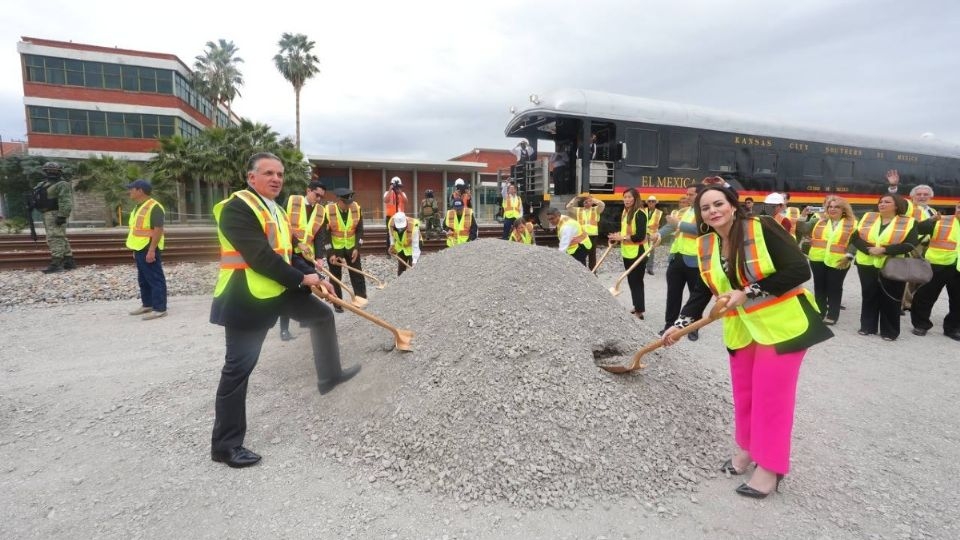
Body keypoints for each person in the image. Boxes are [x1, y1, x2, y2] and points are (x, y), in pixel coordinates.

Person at [662, 185, 832, 499]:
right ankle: (748, 450)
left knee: (772, 398)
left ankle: (770, 466)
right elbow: (703, 293)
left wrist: (750, 291)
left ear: (733, 205)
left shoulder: (762, 227)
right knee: (746, 394)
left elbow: (799, 270)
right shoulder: (706, 245)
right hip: (742, 330)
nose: (713, 211)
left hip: (782, 326)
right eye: (706, 207)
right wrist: (679, 325)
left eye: (719, 203)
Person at [209, 152, 360, 468]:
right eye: (268, 173)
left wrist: (316, 276)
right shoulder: (236, 208)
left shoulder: (274, 209)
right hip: (246, 298)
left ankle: (329, 377)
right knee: (238, 369)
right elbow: (261, 257)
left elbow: (287, 252)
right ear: (252, 178)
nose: (276, 178)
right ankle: (225, 445)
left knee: (321, 316)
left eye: (279, 173)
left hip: (277, 290)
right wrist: (303, 278)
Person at [850, 194, 919, 341]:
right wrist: (869, 249)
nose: (882, 204)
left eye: (887, 202)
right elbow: (854, 238)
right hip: (867, 263)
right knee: (869, 295)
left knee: (891, 298)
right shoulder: (868, 217)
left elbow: (910, 244)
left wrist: (884, 249)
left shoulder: (908, 222)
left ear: (897, 206)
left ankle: (890, 331)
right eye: (880, 202)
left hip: (892, 265)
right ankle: (867, 327)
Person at [659, 184, 712, 341]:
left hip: (695, 260)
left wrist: (679, 224)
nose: (687, 197)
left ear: (700, 195)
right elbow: (670, 226)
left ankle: (693, 327)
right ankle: (669, 325)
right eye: (687, 194)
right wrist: (658, 234)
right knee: (673, 294)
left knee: (695, 296)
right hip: (677, 257)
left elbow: (700, 229)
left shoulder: (705, 212)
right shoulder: (684, 211)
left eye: (691, 194)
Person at [279, 181, 328, 340]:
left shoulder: (321, 210)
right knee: (288, 289)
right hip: (289, 252)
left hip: (307, 255)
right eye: (316, 194)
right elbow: (281, 225)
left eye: (322, 196)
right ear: (308, 190)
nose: (319, 199)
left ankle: (305, 319)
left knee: (307, 287)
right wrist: (296, 242)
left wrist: (320, 257)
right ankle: (284, 330)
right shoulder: (292, 201)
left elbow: (320, 236)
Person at [802, 197, 857, 325]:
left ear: (844, 209)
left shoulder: (852, 223)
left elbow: (855, 240)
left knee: (834, 288)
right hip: (818, 258)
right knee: (819, 287)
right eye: (830, 207)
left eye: (836, 207)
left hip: (839, 260)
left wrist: (849, 256)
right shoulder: (818, 220)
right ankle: (820, 312)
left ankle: (832, 314)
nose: (832, 209)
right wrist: (803, 216)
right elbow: (802, 229)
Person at [909, 201, 960, 340]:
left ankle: (953, 328)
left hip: (958, 267)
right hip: (938, 264)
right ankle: (920, 324)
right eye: (959, 207)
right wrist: (930, 220)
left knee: (958, 300)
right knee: (925, 296)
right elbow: (919, 229)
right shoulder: (942, 220)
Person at [124, 179, 168, 320]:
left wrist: (152, 250)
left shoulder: (154, 207)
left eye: (131, 189)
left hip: (148, 247)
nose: (129, 191)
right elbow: (136, 230)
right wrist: (135, 248)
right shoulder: (138, 207)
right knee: (143, 279)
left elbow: (158, 230)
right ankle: (147, 304)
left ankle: (160, 308)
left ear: (140, 190)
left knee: (155, 278)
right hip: (139, 247)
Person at [608, 188, 649, 318]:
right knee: (632, 281)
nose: (626, 199)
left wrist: (622, 238)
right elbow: (627, 231)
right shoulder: (626, 212)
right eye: (625, 197)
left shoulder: (639, 213)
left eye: (629, 197)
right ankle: (637, 306)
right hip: (628, 252)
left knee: (636, 281)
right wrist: (618, 235)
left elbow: (640, 236)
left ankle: (639, 311)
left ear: (635, 198)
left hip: (638, 252)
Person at [325, 188, 367, 313]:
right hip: (335, 249)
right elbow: (325, 234)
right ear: (339, 200)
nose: (349, 206)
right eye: (346, 203)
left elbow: (360, 230)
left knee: (357, 274)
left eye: (350, 203)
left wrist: (357, 248)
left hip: (351, 248)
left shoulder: (356, 208)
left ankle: (361, 299)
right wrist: (330, 253)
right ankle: (338, 303)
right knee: (335, 277)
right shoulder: (329, 210)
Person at [32, 161, 75, 273]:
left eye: (54, 170)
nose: (51, 172)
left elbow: (65, 201)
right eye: (49, 170)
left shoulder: (62, 184)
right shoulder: (42, 184)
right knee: (60, 237)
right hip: (46, 213)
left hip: (55, 213)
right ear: (45, 171)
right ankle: (69, 261)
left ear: (59, 172)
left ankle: (56, 263)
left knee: (55, 238)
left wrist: (62, 215)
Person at [565, 195, 605, 269]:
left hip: (592, 235)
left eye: (589, 201)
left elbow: (602, 204)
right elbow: (568, 207)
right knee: (582, 254)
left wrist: (593, 199)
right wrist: (575, 199)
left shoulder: (596, 210)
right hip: (582, 236)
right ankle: (583, 271)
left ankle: (593, 272)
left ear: (592, 202)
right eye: (585, 201)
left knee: (592, 255)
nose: (586, 202)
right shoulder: (578, 210)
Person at [387, 211, 420, 276]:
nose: (400, 229)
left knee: (413, 268)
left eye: (402, 227)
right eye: (399, 227)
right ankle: (400, 282)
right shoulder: (391, 223)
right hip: (401, 246)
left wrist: (414, 261)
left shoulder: (414, 226)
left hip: (413, 246)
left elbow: (415, 245)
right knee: (401, 268)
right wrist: (392, 245)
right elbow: (391, 235)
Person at [643, 195, 663, 275]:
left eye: (653, 201)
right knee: (642, 251)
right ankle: (641, 267)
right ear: (647, 203)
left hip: (652, 235)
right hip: (643, 234)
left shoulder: (659, 213)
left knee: (651, 251)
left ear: (655, 203)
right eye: (649, 201)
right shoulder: (643, 210)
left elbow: (658, 224)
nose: (651, 203)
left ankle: (649, 268)